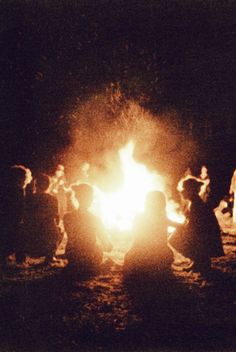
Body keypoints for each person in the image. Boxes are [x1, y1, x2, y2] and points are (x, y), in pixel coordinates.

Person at [170, 178, 224, 273]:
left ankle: (201, 261)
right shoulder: (194, 202)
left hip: (204, 236)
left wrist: (177, 226)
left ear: (190, 191)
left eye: (184, 189)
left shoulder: (196, 204)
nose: (182, 192)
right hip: (200, 234)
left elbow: (194, 226)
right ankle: (198, 262)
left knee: (174, 239)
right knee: (178, 234)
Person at [124, 191, 175, 278]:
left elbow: (135, 236)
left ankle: (143, 268)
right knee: (166, 257)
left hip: (138, 255)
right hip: (160, 256)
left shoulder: (139, 217)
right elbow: (179, 226)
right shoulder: (164, 219)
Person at [63, 183, 112, 275]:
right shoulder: (94, 218)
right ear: (90, 199)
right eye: (92, 197)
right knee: (98, 245)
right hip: (89, 258)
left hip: (72, 256)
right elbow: (108, 247)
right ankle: (96, 267)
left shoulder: (67, 217)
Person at [23, 173, 62, 264]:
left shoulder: (28, 198)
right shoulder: (52, 199)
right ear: (48, 186)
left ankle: (21, 257)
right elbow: (56, 218)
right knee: (59, 231)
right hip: (44, 238)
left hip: (29, 238)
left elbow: (23, 214)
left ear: (35, 185)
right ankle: (50, 257)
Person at [0, 165, 32, 269]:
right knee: (19, 237)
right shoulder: (17, 190)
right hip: (13, 220)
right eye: (24, 177)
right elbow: (20, 207)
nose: (25, 180)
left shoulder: (7, 188)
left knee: (10, 238)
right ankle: (20, 259)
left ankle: (7, 256)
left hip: (8, 219)